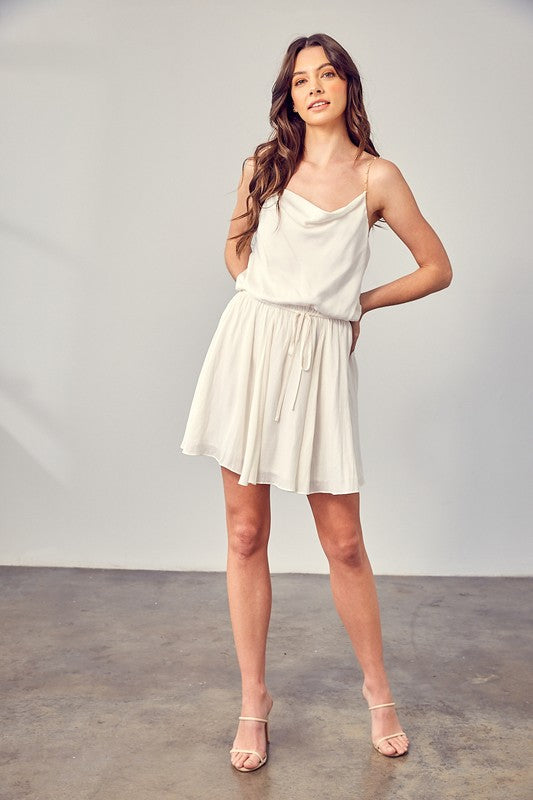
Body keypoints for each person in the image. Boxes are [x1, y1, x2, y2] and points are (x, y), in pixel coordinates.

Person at [180, 32, 452, 771]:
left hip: (320, 365)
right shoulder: (262, 166)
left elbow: (436, 268)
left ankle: (378, 693)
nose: (314, 87)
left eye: (326, 73)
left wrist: (352, 305)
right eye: (300, 79)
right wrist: (262, 306)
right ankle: (253, 700)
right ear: (288, 96)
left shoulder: (378, 177)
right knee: (244, 534)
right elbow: (235, 253)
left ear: (347, 87)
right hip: (249, 350)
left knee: (343, 543)